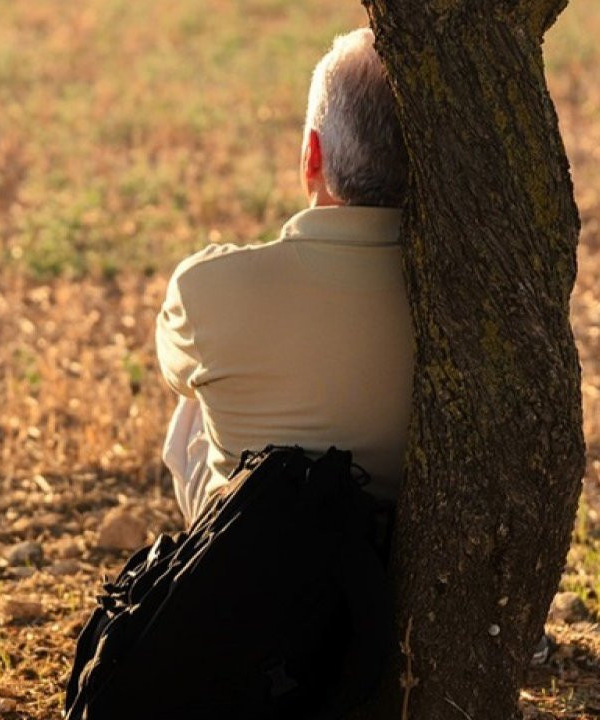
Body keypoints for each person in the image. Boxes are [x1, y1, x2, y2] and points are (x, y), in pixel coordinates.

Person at [156, 28, 413, 524]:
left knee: (195, 397)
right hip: (390, 561)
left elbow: (173, 370)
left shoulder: (206, 288)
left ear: (311, 155)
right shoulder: (461, 300)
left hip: (253, 564)